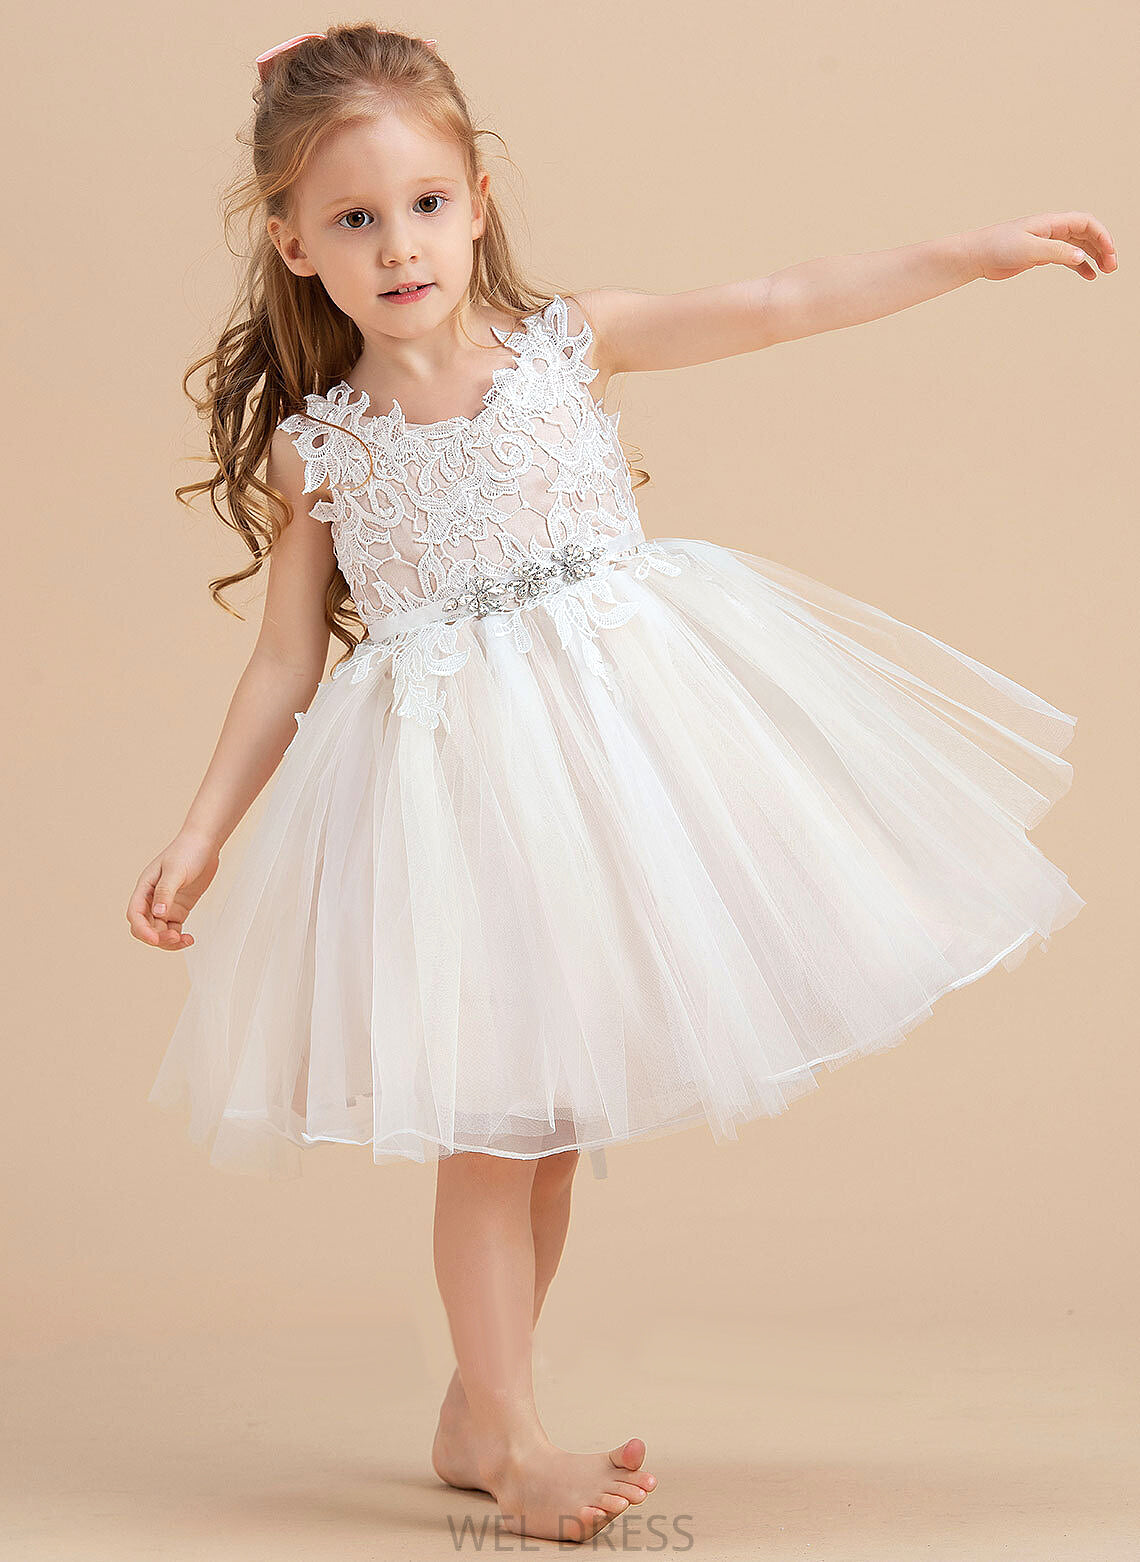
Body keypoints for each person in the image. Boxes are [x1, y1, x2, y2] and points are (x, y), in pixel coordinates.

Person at [126, 22, 1114, 1544]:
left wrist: (967, 255)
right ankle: (516, 1441)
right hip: (459, 807)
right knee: (489, 1127)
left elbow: (780, 303)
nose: (402, 247)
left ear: (479, 200)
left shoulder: (564, 346)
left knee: (550, 1127)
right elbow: (281, 663)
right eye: (356, 219)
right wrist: (201, 832)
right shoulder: (321, 451)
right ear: (294, 242)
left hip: (610, 776)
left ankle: (480, 1410)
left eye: (427, 204)